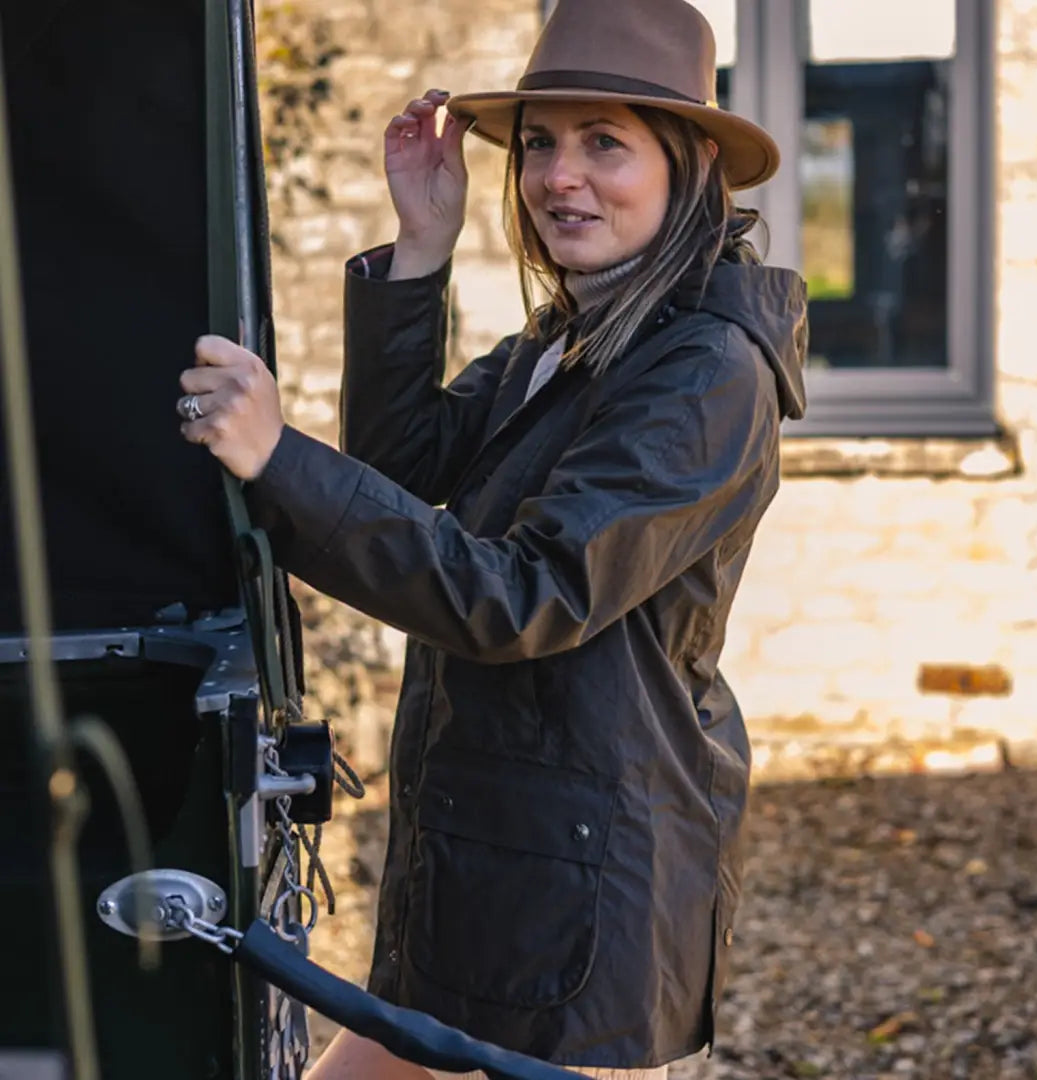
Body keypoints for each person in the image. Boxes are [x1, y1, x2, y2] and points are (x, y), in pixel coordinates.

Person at [177, 0, 807, 1076]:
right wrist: (424, 247)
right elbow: (403, 468)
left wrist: (276, 457)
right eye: (541, 143)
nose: (561, 176)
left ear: (693, 162)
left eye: (605, 142)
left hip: (582, 898)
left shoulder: (706, 372)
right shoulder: (573, 334)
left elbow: (524, 595)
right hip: (490, 857)